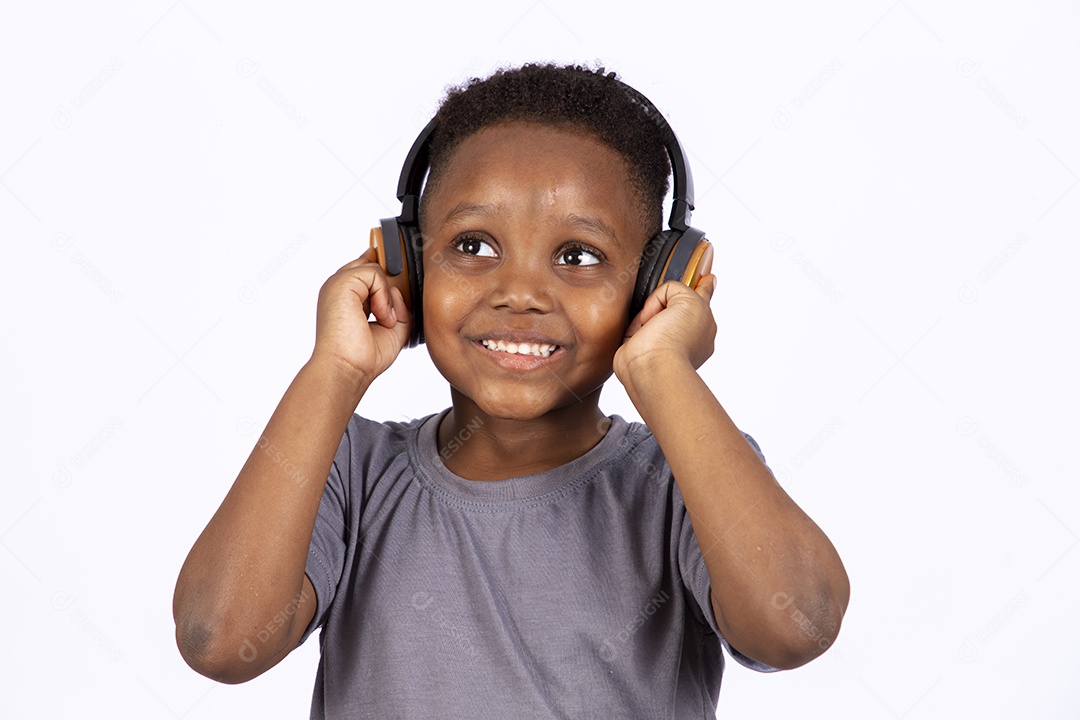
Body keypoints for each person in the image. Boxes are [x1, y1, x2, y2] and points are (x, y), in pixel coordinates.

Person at [173, 63, 850, 718]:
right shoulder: (349, 469)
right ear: (406, 264)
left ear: (654, 285)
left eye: (577, 257)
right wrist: (334, 371)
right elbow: (220, 640)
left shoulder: (683, 481)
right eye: (473, 246)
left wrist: (663, 371)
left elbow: (796, 625)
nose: (520, 293)